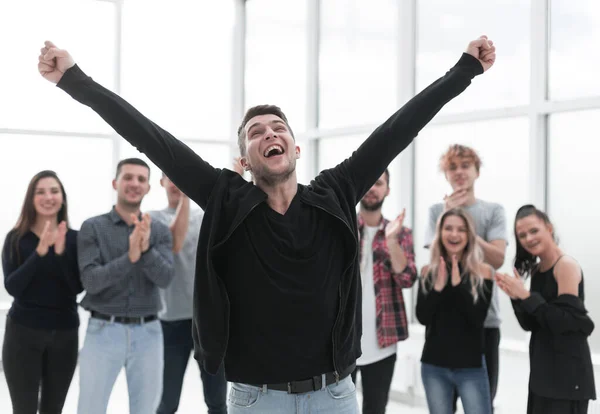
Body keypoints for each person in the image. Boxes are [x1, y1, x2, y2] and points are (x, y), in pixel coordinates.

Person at [37, 36, 496, 413]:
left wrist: (464, 70)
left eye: (278, 127)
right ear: (245, 159)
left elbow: (399, 129)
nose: (268, 133)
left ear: (295, 149)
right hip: (256, 399)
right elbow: (149, 135)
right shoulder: (225, 197)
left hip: (334, 395)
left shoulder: (334, 191)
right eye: (256, 131)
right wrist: (74, 79)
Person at [75, 158, 175, 414]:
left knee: (145, 410)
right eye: (128, 177)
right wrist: (130, 258)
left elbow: (165, 278)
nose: (134, 183)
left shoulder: (160, 231)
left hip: (149, 334)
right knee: (90, 409)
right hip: (102, 332)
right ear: (115, 183)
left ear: (148, 188)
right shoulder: (92, 227)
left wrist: (145, 251)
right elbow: (91, 282)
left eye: (141, 179)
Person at [424, 144, 506, 411]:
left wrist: (463, 224)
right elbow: (436, 260)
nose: (459, 172)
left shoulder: (493, 210)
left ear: (476, 171)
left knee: (483, 402)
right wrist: (447, 216)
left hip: (484, 321)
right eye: (452, 167)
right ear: (445, 174)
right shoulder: (437, 211)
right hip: (443, 321)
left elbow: (497, 258)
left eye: (465, 166)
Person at [496, 205, 595, 414]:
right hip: (543, 376)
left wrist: (526, 296)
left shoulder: (565, 265)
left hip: (567, 378)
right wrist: (516, 298)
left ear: (549, 228)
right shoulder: (537, 270)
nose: (528, 238)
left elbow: (570, 323)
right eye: (522, 235)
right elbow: (532, 324)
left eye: (534, 231)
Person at [2, 170, 82, 414]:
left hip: (64, 335)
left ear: (63, 198)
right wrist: (40, 252)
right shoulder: (16, 239)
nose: (48, 197)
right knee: (23, 408)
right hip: (23, 335)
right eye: (41, 192)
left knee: (53, 409)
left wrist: (58, 254)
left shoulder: (75, 239)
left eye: (54, 191)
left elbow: (76, 288)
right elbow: (13, 287)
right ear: (31, 199)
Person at [150, 173, 227, 414]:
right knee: (167, 401)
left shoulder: (205, 216)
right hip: (170, 323)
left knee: (217, 401)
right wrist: (186, 194)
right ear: (161, 182)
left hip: (207, 323)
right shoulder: (152, 219)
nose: (176, 182)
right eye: (170, 177)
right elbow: (175, 241)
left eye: (179, 177)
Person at [351, 169, 417, 414]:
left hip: (383, 343)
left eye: (378, 183)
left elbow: (408, 277)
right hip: (342, 343)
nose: (372, 188)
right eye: (368, 181)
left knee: (375, 409)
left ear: (387, 190)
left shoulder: (401, 233)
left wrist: (391, 242)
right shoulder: (342, 226)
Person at [417, 208, 494, 414]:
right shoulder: (428, 271)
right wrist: (438, 288)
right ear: (439, 233)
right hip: (434, 367)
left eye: (461, 230)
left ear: (469, 235)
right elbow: (422, 317)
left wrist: (458, 285)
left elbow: (477, 319)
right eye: (448, 228)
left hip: (471, 367)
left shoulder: (483, 272)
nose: (454, 234)